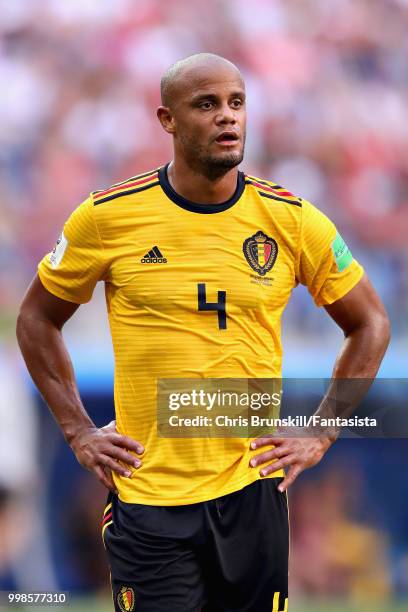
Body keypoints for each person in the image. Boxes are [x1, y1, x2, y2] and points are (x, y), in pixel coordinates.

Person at [16, 53, 390, 612]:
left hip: (253, 492)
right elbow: (36, 318)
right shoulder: (107, 217)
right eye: (207, 104)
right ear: (167, 119)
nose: (227, 117)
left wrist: (324, 430)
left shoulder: (291, 220)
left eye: (237, 103)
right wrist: (77, 430)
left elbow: (370, 323)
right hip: (148, 494)